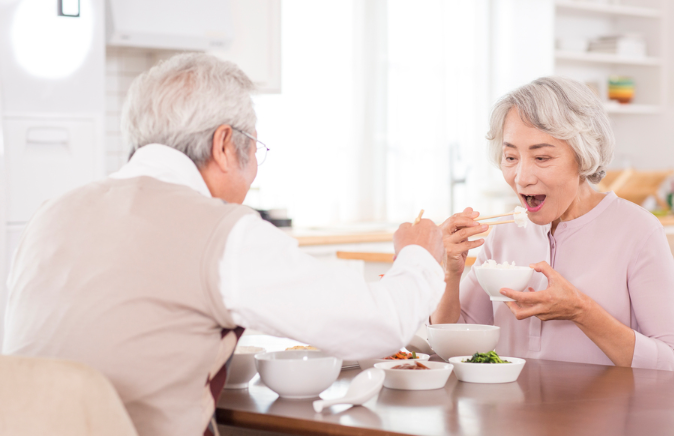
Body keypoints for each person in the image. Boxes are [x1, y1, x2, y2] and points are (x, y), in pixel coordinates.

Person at [2, 53, 446, 436]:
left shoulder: (51, 214)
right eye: (253, 149)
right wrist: (420, 255)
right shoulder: (222, 230)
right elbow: (377, 327)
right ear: (223, 145)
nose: (255, 171)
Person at [432, 76, 674, 370]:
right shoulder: (505, 234)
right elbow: (453, 344)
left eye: (542, 157)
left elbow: (669, 361)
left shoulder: (638, 231)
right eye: (510, 157)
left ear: (583, 155)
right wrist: (451, 273)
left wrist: (581, 311)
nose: (522, 177)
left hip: (604, 413)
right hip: (511, 412)